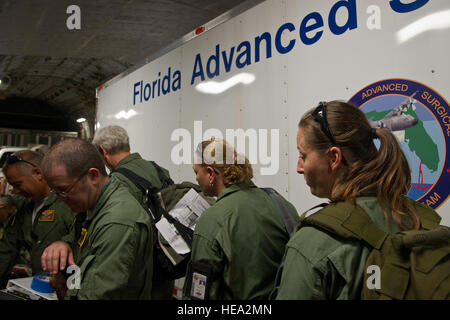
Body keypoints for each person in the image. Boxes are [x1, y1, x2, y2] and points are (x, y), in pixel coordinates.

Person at [275, 101, 441, 299]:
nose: (299, 167)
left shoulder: (312, 243)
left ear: (334, 158)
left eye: (303, 155)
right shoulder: (419, 218)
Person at [183, 138, 299, 300]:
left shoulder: (212, 220)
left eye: (197, 172)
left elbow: (199, 295)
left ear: (210, 173)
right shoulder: (281, 205)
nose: (196, 178)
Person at [40, 138, 153, 300]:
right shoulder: (92, 205)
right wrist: (64, 243)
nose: (60, 199)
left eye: (63, 190)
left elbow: (95, 295)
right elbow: (82, 245)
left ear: (93, 175)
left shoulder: (118, 222)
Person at [92, 125, 174, 299]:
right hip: (166, 264)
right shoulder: (160, 171)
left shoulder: (115, 182)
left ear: (103, 151)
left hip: (138, 277)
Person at [0, 150, 75, 285]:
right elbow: (7, 250)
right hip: (33, 286)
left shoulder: (68, 204)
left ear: (38, 173)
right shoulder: (22, 208)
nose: (15, 191)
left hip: (64, 288)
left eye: (18, 184)